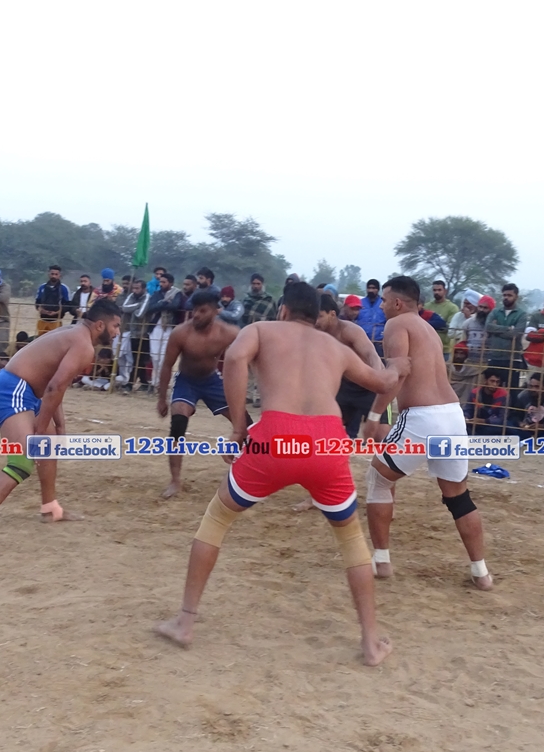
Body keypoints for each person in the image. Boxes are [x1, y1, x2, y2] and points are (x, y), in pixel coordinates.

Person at [154, 281, 406, 666]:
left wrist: (239, 429)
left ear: (283, 310)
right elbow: (384, 382)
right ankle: (371, 641)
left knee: (217, 519)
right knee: (351, 538)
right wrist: (398, 366)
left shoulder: (260, 330)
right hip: (327, 442)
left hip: (274, 438)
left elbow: (234, 360)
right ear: (317, 316)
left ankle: (185, 622)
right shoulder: (335, 348)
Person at [0, 297, 123, 556]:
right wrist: (42, 426)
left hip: (27, 390)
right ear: (100, 325)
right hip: (12, 390)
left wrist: (59, 425)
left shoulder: (75, 333)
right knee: (21, 463)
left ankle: (50, 508)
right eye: (115, 326)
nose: (117, 332)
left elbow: (53, 384)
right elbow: (54, 387)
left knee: (49, 446)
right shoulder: (83, 345)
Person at [361, 276, 494, 588]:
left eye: (384, 301)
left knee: (378, 479)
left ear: (397, 302)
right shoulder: (429, 329)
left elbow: (398, 374)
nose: (381, 306)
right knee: (458, 497)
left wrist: (375, 415)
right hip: (452, 415)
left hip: (422, 417)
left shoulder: (396, 324)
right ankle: (481, 572)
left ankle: (381, 560)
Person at [156, 289, 243, 498]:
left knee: (246, 426)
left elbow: (251, 354)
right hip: (187, 381)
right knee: (178, 423)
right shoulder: (181, 333)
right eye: (194, 310)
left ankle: (245, 475)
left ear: (216, 311)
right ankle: (175, 481)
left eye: (202, 311)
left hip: (212, 381)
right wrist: (161, 398)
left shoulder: (229, 333)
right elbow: (167, 365)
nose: (196, 315)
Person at [314, 293, 388, 440]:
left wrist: (378, 377)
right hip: (344, 387)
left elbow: (370, 353)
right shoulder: (317, 334)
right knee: (327, 432)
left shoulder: (349, 330)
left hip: (369, 386)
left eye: (320, 316)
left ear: (332, 314)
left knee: (382, 435)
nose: (316, 321)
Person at [485, 283, 526, 383]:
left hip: (512, 359)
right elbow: (488, 327)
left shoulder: (521, 314)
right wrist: (508, 328)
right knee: (492, 388)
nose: (506, 298)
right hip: (494, 357)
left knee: (511, 389)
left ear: (516, 297)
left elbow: (515, 334)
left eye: (509, 295)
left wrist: (496, 330)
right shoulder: (495, 312)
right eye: (504, 295)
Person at [116, 276, 150, 388]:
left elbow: (140, 314)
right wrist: (138, 305)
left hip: (143, 332)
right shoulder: (131, 296)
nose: (135, 290)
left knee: (139, 359)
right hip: (132, 332)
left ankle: (131, 383)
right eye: (134, 288)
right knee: (136, 358)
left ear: (144, 289)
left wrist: (133, 308)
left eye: (137, 288)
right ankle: (143, 383)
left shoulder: (147, 297)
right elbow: (124, 308)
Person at [147, 273, 179, 387]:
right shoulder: (157, 293)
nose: (161, 284)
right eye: (160, 282)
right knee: (154, 355)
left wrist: (160, 304)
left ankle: (162, 383)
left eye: (164, 282)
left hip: (169, 327)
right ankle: (155, 381)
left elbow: (175, 306)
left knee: (163, 357)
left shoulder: (177, 293)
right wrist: (164, 303)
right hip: (155, 326)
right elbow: (151, 307)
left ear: (171, 283)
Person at [509, 373, 544, 438]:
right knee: (508, 424)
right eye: (531, 386)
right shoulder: (523, 396)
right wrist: (520, 423)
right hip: (525, 431)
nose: (533, 389)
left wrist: (543, 426)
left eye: (537, 387)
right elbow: (514, 415)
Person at [34, 264, 70, 336]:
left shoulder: (64, 288)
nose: (54, 276)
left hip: (56, 321)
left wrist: (57, 312)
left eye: (56, 274)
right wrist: (41, 310)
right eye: (52, 274)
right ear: (49, 274)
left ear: (60, 275)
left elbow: (68, 305)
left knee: (55, 340)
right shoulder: (42, 287)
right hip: (42, 320)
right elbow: (37, 302)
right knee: (40, 339)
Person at [470, 369, 509, 434]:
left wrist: (485, 421)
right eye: (492, 381)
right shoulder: (475, 393)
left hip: (493, 425)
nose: (495, 384)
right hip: (475, 423)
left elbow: (502, 418)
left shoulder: (504, 395)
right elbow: (468, 409)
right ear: (485, 380)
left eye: (497, 382)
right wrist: (466, 417)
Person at [354, 278, 387, 354]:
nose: (371, 290)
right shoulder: (360, 303)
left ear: (378, 289)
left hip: (379, 341)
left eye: (373, 288)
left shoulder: (383, 303)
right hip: (362, 340)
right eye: (369, 288)